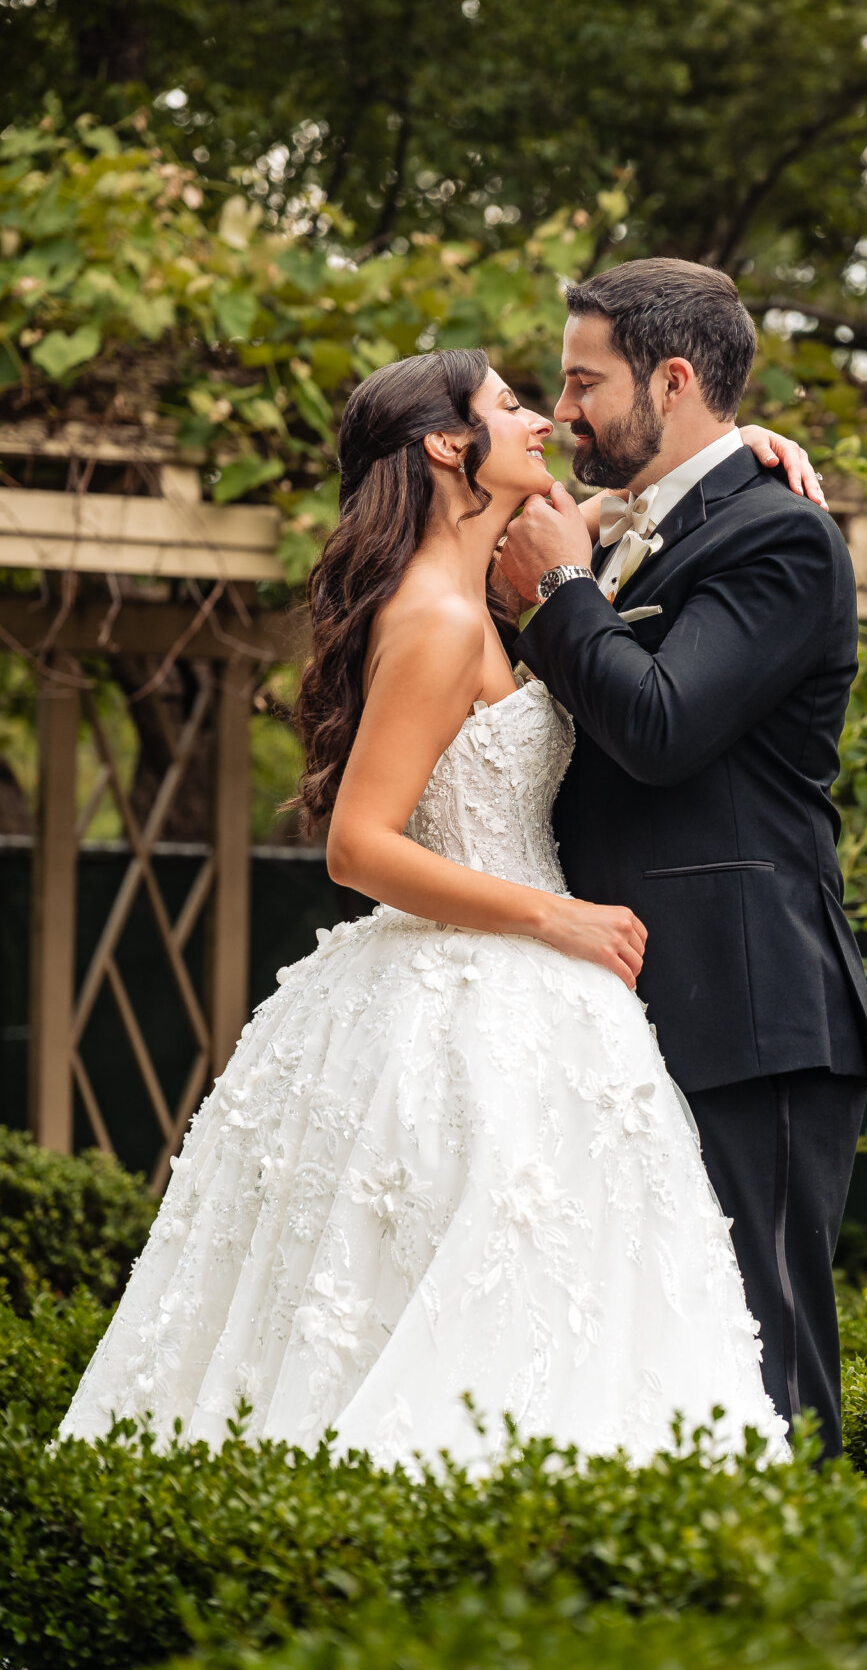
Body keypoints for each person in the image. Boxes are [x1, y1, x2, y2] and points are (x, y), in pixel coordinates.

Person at [58, 347, 818, 1472]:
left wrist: (742, 449)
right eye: (513, 406)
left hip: (532, 999)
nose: (544, 422)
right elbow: (356, 846)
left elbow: (620, 501)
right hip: (488, 987)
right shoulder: (436, 618)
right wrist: (553, 919)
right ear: (445, 446)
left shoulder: (465, 589)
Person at [499, 259, 867, 1460]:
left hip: (748, 1009)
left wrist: (562, 590)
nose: (563, 414)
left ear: (672, 377)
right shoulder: (637, 526)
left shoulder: (781, 539)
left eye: (582, 382)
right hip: (614, 1004)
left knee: (766, 1356)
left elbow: (661, 727)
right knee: (646, 1353)